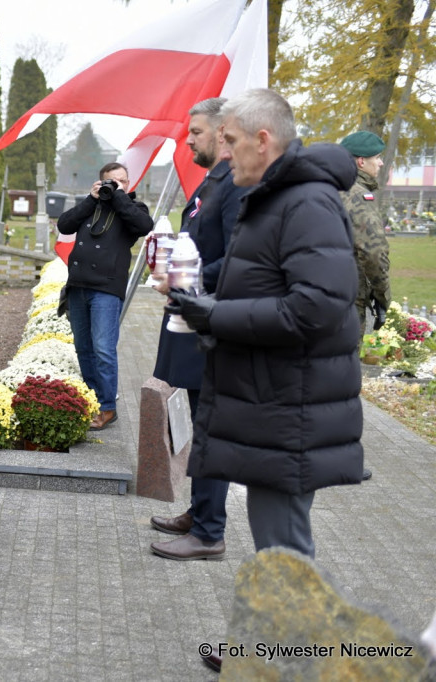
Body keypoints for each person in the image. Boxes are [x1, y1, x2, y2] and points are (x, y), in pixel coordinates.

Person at [165, 88, 364, 672]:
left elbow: (316, 308)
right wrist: (196, 286)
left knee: (284, 546)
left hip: (291, 403)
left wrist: (213, 315)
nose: (221, 153)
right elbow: (257, 275)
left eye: (227, 140)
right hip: (274, 399)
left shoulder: (304, 203)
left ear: (262, 140)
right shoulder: (274, 198)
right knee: (275, 541)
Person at [146, 97, 247, 561]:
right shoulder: (213, 180)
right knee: (193, 417)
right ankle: (200, 508)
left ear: (224, 135)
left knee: (208, 424)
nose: (188, 140)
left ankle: (209, 532)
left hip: (209, 325)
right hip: (189, 317)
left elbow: (240, 258)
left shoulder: (235, 186)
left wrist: (191, 277)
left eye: (197, 133)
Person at [57, 162, 154, 429]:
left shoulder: (134, 209)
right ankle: (92, 400)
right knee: (84, 348)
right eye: (112, 181)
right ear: (100, 182)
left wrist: (120, 196)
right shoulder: (92, 205)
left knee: (103, 348)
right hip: (78, 286)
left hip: (107, 289)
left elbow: (144, 226)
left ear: (128, 182)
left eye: (122, 181)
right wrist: (91, 198)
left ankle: (108, 407)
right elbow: (64, 226)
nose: (117, 185)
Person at [338, 131, 391, 484]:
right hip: (348, 300)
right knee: (344, 381)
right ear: (360, 161)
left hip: (321, 296)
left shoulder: (330, 189)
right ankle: (343, 460)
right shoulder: (360, 194)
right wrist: (383, 297)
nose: (381, 162)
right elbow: (373, 252)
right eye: (376, 158)